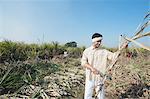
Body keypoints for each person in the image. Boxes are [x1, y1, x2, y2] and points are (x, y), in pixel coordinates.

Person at [81, 33, 120, 99]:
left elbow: (114, 57)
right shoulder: (87, 51)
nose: (99, 43)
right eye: (98, 41)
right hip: (90, 78)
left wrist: (121, 49)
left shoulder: (104, 51)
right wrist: (92, 68)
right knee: (88, 96)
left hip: (100, 78)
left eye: (100, 41)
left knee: (101, 97)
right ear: (93, 41)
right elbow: (83, 62)